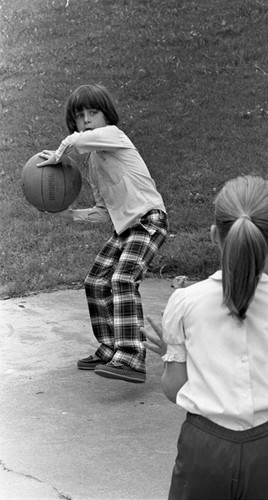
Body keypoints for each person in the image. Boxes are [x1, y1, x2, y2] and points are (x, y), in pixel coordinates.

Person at [142, 176, 268, 499]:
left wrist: (174, 357)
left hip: (204, 446)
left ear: (214, 236)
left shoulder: (186, 303)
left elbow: (174, 389)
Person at [38, 83, 168, 384]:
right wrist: (70, 214)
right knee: (96, 282)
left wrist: (59, 153)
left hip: (149, 220)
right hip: (124, 228)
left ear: (106, 116)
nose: (86, 120)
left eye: (92, 113)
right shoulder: (94, 163)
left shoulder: (114, 136)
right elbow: (103, 209)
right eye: (79, 115)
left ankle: (132, 356)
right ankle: (111, 347)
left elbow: (77, 141)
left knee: (123, 279)